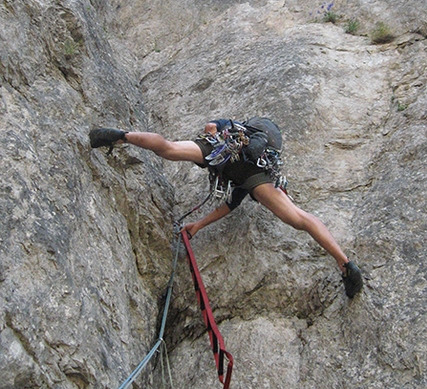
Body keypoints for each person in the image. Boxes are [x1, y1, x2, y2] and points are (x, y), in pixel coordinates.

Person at [89, 118, 363, 298]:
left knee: (169, 149)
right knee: (299, 218)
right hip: (254, 173)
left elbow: (212, 128)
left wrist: (198, 224)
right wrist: (198, 225)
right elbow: (231, 204)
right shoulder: (265, 162)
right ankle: (345, 263)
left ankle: (121, 136)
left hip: (224, 149)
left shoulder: (233, 127)